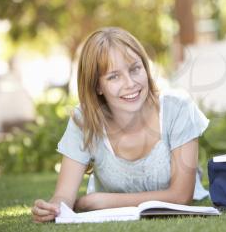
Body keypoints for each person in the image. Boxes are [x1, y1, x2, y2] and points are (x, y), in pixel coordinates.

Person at [31, 27, 209, 223]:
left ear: (145, 67)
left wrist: (101, 201)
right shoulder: (84, 120)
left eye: (135, 69)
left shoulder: (177, 108)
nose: (130, 83)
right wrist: (53, 207)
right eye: (113, 76)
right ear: (97, 85)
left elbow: (181, 196)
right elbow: (64, 197)